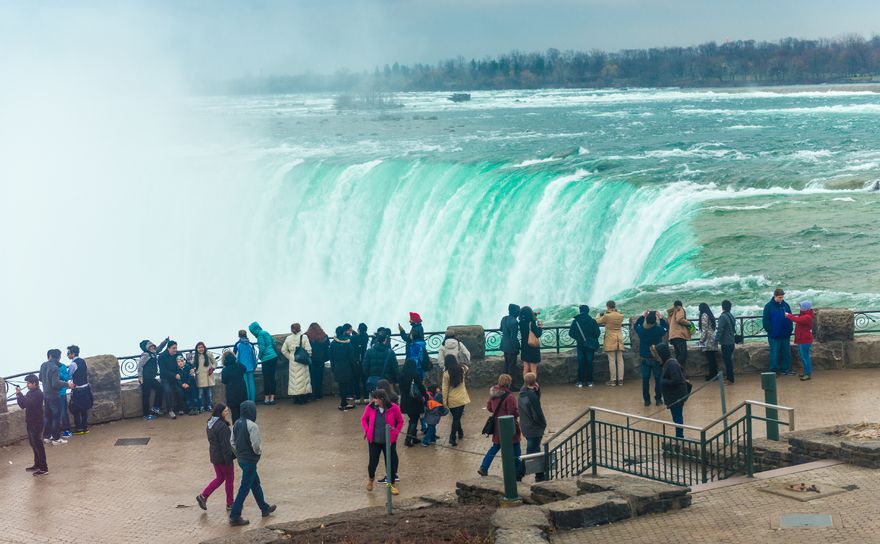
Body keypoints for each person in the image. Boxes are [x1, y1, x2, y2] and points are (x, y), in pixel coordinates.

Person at [229, 401, 277, 526]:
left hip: (241, 460)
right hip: (250, 461)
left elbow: (232, 442)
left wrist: (238, 453)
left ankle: (264, 508)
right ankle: (235, 515)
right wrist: (258, 453)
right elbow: (256, 445)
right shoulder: (253, 426)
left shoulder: (236, 423)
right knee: (245, 488)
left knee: (255, 483)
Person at [477, 374, 522, 477]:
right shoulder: (509, 397)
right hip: (508, 425)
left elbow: (489, 407)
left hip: (497, 425)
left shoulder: (493, 393)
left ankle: (484, 467)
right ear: (509, 383)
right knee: (516, 446)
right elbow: (512, 412)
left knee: (495, 447)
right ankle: (518, 471)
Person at [361, 389, 403, 495]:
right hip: (374, 440)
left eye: (375, 398)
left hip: (389, 441)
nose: (373, 400)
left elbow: (400, 421)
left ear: (382, 399)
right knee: (372, 463)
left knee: (390, 463)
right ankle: (371, 479)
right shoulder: (369, 408)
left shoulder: (394, 408)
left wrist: (395, 433)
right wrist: (367, 430)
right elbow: (364, 419)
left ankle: (391, 484)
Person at [197, 403, 236, 512]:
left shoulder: (210, 423)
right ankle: (230, 503)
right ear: (220, 412)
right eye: (225, 411)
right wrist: (229, 459)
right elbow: (225, 445)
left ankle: (203, 496)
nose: (227, 413)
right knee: (229, 479)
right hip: (223, 458)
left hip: (215, 456)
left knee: (220, 478)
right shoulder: (222, 426)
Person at [634, 310, 668, 406]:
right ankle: (658, 399)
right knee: (658, 379)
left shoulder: (641, 330)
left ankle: (646, 400)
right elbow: (666, 327)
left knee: (645, 380)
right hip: (656, 357)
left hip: (644, 357)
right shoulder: (658, 330)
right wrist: (660, 318)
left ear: (646, 320)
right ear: (655, 320)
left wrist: (642, 316)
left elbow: (635, 326)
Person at [16, 374, 49, 475]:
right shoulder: (30, 392)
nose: (27, 385)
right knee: (33, 444)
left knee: (38, 444)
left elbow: (28, 403)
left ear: (34, 383)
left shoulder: (38, 393)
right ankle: (37, 464)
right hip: (30, 422)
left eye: (29, 383)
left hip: (37, 422)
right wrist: (18, 395)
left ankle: (44, 468)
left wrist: (20, 395)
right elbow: (22, 405)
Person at [655, 343, 689, 439]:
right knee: (676, 416)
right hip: (673, 396)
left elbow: (677, 379)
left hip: (676, 396)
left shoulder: (672, 364)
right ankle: (679, 435)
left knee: (677, 417)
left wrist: (663, 381)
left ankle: (679, 436)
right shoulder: (667, 363)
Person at [518, 372, 547, 481]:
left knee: (536, 450)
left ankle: (540, 475)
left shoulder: (523, 392)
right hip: (534, 428)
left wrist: (537, 390)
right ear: (535, 382)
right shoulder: (532, 396)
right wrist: (543, 424)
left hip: (526, 426)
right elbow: (537, 413)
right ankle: (518, 473)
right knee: (531, 453)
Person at [763, 288, 794, 376]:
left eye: (782, 297)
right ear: (775, 296)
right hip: (774, 335)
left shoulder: (786, 305)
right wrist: (770, 330)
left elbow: (790, 317)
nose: (781, 299)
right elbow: (766, 321)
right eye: (779, 297)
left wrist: (790, 329)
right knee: (774, 353)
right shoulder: (768, 306)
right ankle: (774, 370)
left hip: (785, 334)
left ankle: (786, 369)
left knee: (786, 353)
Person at [441, 354, 470, 447]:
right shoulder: (462, 369)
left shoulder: (446, 374)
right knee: (457, 418)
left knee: (456, 417)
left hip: (452, 399)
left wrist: (444, 401)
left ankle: (460, 432)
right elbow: (466, 366)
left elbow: (444, 389)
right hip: (461, 398)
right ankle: (452, 437)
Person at [569, 305, 601, 388]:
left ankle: (580, 381)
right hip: (590, 345)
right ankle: (590, 381)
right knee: (589, 362)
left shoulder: (576, 321)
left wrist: (579, 338)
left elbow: (571, 333)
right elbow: (597, 333)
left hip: (580, 344)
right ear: (588, 311)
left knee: (581, 362)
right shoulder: (592, 321)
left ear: (580, 311)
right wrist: (591, 338)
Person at [39, 349, 66, 444]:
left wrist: (47, 383)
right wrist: (67, 384)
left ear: (50, 356)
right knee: (56, 418)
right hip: (54, 396)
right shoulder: (55, 368)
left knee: (48, 417)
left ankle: (46, 436)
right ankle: (56, 438)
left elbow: (40, 378)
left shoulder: (43, 365)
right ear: (58, 357)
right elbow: (55, 384)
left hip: (46, 395)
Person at [249, 322, 279, 404]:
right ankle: (272, 399)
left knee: (266, 379)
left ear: (254, 330)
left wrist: (259, 356)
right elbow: (273, 343)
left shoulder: (260, 335)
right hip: (273, 357)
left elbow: (262, 348)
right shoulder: (266, 332)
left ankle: (266, 399)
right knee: (272, 378)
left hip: (266, 359)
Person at [282, 323, 312, 405]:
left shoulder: (288, 338)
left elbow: (283, 350)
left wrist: (291, 357)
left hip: (293, 361)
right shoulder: (304, 337)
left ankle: (296, 398)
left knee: (294, 380)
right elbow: (308, 350)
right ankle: (303, 399)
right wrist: (306, 357)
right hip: (302, 361)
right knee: (303, 379)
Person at [137, 338, 168, 419]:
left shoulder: (154, 352)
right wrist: (140, 377)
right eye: (150, 346)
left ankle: (156, 407)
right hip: (145, 378)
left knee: (160, 388)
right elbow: (140, 365)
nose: (152, 347)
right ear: (147, 348)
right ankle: (146, 415)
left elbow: (160, 347)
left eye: (152, 346)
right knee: (146, 396)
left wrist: (165, 341)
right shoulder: (146, 355)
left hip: (151, 378)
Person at [597, 301, 626, 386]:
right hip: (619, 338)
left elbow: (598, 321)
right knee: (620, 360)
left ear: (607, 306)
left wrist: (598, 315)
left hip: (610, 339)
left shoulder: (607, 315)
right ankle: (620, 380)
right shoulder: (621, 315)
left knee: (612, 360)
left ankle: (613, 380)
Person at [399, 358, 426, 447]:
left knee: (412, 419)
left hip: (405, 401)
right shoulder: (415, 375)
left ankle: (414, 438)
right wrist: (426, 395)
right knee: (414, 420)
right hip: (414, 401)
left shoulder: (401, 375)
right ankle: (408, 439)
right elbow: (421, 387)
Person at [66, 345, 93, 435]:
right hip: (86, 387)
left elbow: (69, 375)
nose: (67, 355)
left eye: (68, 353)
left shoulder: (73, 364)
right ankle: (85, 427)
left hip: (78, 389)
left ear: (73, 354)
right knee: (84, 409)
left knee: (76, 409)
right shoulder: (82, 361)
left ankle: (79, 428)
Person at [330, 326, 357, 411]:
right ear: (343, 332)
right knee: (346, 385)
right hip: (347, 366)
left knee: (341, 385)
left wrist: (333, 368)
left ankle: (343, 403)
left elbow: (331, 357)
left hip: (337, 365)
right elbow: (352, 357)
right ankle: (344, 403)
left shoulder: (333, 343)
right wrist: (354, 367)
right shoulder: (347, 342)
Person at [786, 300, 815, 381]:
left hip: (805, 340)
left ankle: (808, 374)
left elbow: (797, 320)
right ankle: (806, 372)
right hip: (802, 339)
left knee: (805, 357)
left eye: (801, 306)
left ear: (804, 308)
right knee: (804, 357)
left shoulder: (807, 317)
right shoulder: (805, 314)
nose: (800, 308)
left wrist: (788, 315)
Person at [305, 322, 331, 400]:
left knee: (311, 377)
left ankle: (311, 394)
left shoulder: (306, 336)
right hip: (320, 359)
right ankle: (318, 394)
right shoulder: (324, 336)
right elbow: (328, 344)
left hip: (311, 359)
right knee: (319, 377)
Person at [221, 352, 247, 424]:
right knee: (243, 411)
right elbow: (245, 369)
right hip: (242, 390)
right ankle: (244, 427)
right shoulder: (239, 365)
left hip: (231, 393)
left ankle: (236, 428)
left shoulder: (225, 370)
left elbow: (224, 381)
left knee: (234, 413)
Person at [158, 340, 182, 419]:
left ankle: (180, 408)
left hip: (176, 377)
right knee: (168, 391)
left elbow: (183, 364)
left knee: (180, 390)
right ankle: (170, 410)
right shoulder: (161, 356)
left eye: (176, 348)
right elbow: (163, 371)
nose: (175, 350)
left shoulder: (178, 354)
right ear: (168, 348)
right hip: (166, 378)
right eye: (173, 348)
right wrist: (174, 375)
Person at [715, 300, 737, 384]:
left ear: (722, 307)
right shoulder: (731, 315)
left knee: (727, 362)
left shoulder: (723, 317)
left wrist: (716, 340)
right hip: (731, 341)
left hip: (726, 342)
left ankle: (730, 379)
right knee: (729, 361)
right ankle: (729, 377)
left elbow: (720, 329)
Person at [667, 301, 692, 373]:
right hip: (679, 335)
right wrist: (688, 323)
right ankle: (675, 370)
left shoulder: (671, 312)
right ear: (681, 305)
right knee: (683, 354)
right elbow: (679, 319)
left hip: (672, 335)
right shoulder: (680, 309)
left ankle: (679, 373)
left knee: (678, 354)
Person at [518, 306, 543, 380]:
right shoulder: (532, 324)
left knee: (526, 367)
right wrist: (540, 327)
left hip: (524, 347)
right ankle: (533, 386)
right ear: (530, 314)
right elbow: (538, 334)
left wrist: (535, 314)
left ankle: (526, 385)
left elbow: (527, 316)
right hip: (532, 348)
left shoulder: (521, 322)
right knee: (533, 368)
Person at [233, 330, 257, 402]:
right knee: (252, 384)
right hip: (250, 367)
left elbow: (236, 357)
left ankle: (247, 400)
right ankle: (253, 400)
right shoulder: (250, 344)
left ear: (239, 336)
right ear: (246, 335)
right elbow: (254, 356)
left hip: (241, 368)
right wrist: (254, 365)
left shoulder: (237, 345)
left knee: (245, 385)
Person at [698, 303, 720, 381]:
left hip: (708, 340)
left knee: (710, 359)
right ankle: (715, 374)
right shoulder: (709, 314)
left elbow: (704, 330)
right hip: (712, 337)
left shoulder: (704, 315)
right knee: (713, 358)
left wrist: (701, 340)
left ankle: (712, 376)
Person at [194, 342, 217, 412]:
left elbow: (215, 363)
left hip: (208, 376)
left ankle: (209, 406)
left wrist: (212, 368)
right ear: (196, 349)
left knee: (209, 393)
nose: (201, 349)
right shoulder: (195, 356)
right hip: (199, 377)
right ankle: (202, 406)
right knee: (200, 394)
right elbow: (191, 364)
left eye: (202, 347)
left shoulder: (209, 354)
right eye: (199, 348)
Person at [500, 304, 521, 378]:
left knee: (506, 366)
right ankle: (510, 385)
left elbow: (501, 329)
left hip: (504, 345)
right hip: (511, 348)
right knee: (511, 368)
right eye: (518, 311)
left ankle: (504, 384)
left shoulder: (504, 318)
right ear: (515, 312)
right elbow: (513, 338)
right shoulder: (514, 322)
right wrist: (517, 348)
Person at [352, 323, 370, 404]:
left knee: (356, 380)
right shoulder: (366, 337)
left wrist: (354, 333)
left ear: (359, 329)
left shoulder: (354, 338)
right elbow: (361, 335)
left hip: (356, 361)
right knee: (364, 380)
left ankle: (358, 398)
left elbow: (354, 338)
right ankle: (366, 397)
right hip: (364, 361)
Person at [58, 358, 72, 438]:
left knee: (63, 413)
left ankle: (67, 430)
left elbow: (67, 377)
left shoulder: (62, 366)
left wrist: (60, 374)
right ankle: (58, 430)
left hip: (61, 393)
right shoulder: (48, 367)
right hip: (52, 394)